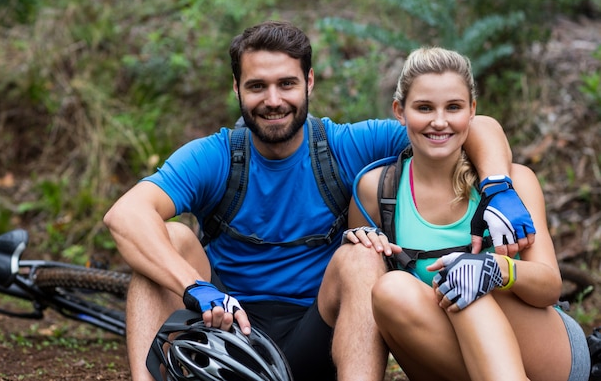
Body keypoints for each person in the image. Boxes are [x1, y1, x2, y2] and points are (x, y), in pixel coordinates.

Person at [103, 21, 535, 381]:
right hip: (228, 331)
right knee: (166, 244)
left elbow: (471, 125)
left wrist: (497, 186)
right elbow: (126, 214)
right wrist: (193, 286)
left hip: (320, 333)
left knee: (362, 256)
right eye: (257, 86)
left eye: (286, 83)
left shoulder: (345, 145)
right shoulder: (216, 156)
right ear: (236, 88)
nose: (273, 100)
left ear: (308, 82)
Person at [345, 47, 590, 380]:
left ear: (472, 111)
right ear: (399, 111)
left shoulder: (513, 183)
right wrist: (360, 244)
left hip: (548, 353)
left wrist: (497, 269)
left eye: (454, 107)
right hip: (449, 351)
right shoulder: (377, 191)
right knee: (392, 289)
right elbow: (367, 301)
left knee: (463, 283)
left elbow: (549, 287)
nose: (440, 121)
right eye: (424, 108)